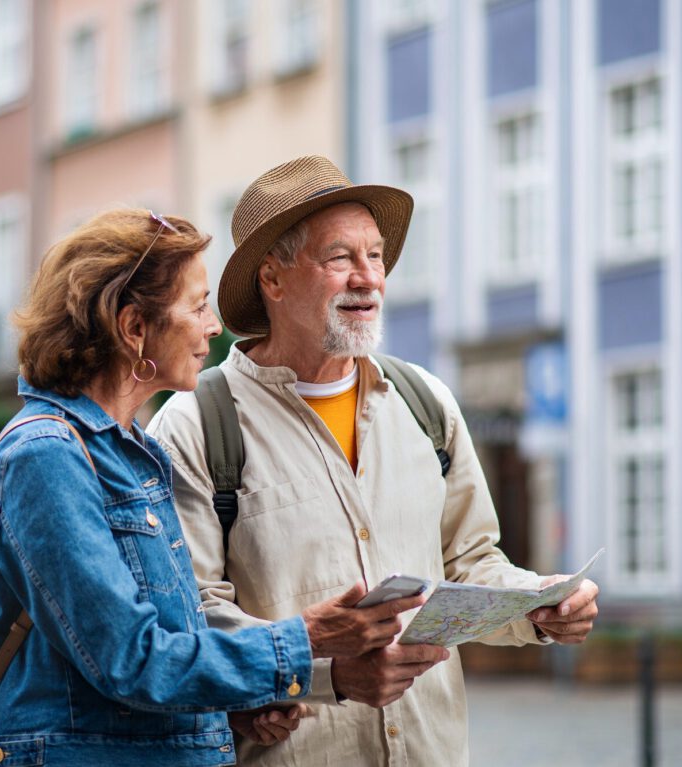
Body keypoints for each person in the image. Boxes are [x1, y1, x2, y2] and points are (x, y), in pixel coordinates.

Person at [147, 156, 600, 766]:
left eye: (377, 256)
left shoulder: (426, 404)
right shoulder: (197, 426)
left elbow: (469, 564)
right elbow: (191, 618)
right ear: (272, 280)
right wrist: (325, 672)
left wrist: (538, 602)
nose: (369, 279)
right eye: (340, 258)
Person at [0, 208, 436, 767]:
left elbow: (167, 658)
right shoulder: (46, 457)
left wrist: (234, 709)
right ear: (135, 329)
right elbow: (130, 661)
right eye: (198, 304)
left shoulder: (135, 452)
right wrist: (307, 639)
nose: (214, 326)